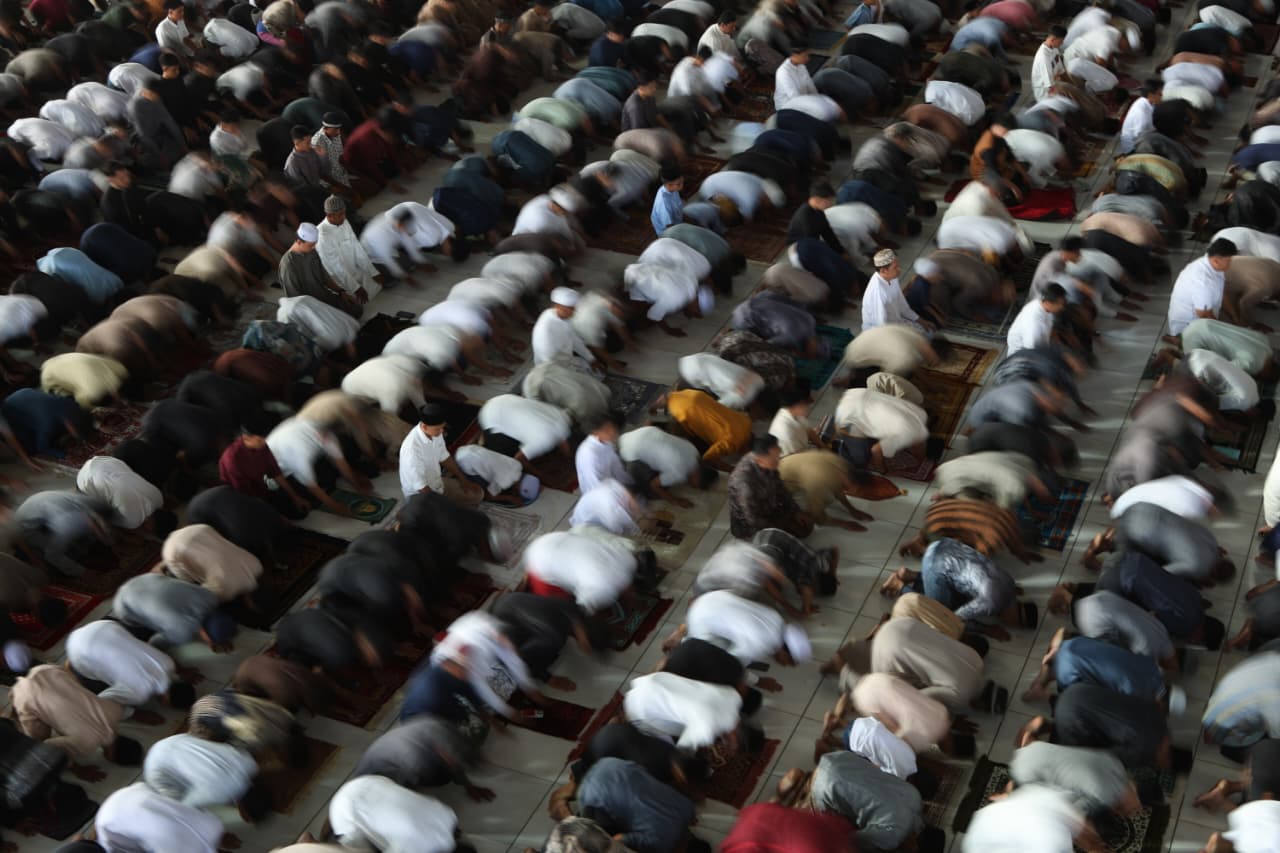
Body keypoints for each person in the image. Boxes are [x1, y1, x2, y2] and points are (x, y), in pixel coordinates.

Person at [728, 434, 813, 539]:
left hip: (770, 507)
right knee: (799, 533)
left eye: (778, 454)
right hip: (752, 524)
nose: (779, 460)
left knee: (807, 524)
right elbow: (754, 520)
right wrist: (781, 527)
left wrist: (795, 511)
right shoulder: (745, 484)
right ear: (761, 460)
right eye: (775, 458)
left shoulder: (768, 462)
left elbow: (781, 489)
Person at [399, 402, 483, 506]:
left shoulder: (435, 433)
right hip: (421, 496)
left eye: (443, 427)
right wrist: (440, 506)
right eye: (438, 429)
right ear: (424, 427)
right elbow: (421, 486)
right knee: (447, 513)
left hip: (437, 483)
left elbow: (444, 457)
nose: (442, 431)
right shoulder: (412, 450)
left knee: (477, 494)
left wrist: (464, 480)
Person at [278, 223, 362, 318]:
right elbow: (295, 300)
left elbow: (324, 277)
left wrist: (341, 292)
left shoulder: (311, 251)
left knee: (357, 309)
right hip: (309, 308)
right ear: (299, 242)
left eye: (315, 244)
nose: (314, 247)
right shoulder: (288, 265)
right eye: (311, 245)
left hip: (323, 297)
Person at [316, 194, 381, 304]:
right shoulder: (322, 236)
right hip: (339, 280)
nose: (344, 217)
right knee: (357, 304)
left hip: (354, 270)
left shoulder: (343, 221)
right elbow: (335, 268)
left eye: (344, 213)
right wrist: (356, 288)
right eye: (340, 214)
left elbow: (356, 247)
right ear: (330, 215)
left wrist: (373, 272)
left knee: (378, 285)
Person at [1167, 237, 1237, 338]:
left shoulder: (1214, 265)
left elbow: (1222, 292)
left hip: (1206, 314)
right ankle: (1177, 339)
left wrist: (1234, 315)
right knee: (1229, 341)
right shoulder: (1202, 280)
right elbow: (1204, 315)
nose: (1231, 263)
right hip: (1189, 326)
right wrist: (1225, 334)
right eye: (1229, 260)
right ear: (1216, 260)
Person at [863, 248, 926, 331]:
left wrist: (920, 320)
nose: (899, 269)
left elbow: (901, 303)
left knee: (928, 332)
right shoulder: (878, 294)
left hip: (896, 322)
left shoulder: (891, 277)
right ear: (883, 271)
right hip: (882, 331)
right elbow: (881, 326)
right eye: (895, 267)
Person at [532, 287, 597, 369]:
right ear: (558, 306)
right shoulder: (544, 331)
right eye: (571, 308)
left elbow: (574, 338)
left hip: (566, 356)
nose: (575, 312)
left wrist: (591, 359)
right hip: (552, 368)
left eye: (575, 308)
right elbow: (550, 362)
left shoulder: (560, 315)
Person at [575, 411, 631, 494]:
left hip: (610, 484)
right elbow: (595, 487)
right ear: (596, 432)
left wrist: (630, 483)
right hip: (598, 494)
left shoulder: (607, 442)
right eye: (607, 429)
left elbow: (617, 467)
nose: (614, 432)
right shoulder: (588, 455)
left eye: (612, 427)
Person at [1006, 283, 1068, 355]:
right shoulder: (1034, 326)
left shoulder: (1044, 306)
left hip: (1040, 347)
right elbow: (1032, 354)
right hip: (1024, 356)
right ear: (1048, 303)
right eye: (1060, 304)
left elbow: (1051, 330)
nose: (1062, 307)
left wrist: (1060, 346)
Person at [1120, 79, 1161, 154]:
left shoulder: (1147, 101)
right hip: (1134, 149)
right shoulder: (1141, 114)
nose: (1163, 96)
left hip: (1145, 137)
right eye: (1160, 94)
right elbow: (1140, 138)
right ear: (1150, 95)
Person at [775, 44, 817, 111]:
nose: (808, 58)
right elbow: (794, 96)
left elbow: (810, 86)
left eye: (808, 55)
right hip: (787, 106)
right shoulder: (783, 72)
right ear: (795, 55)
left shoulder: (801, 66)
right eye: (804, 56)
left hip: (803, 101)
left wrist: (817, 100)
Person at [1031, 25, 1066, 101]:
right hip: (1044, 92)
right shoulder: (1043, 57)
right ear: (1053, 39)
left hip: (1055, 83)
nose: (1062, 43)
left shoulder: (1054, 49)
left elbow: (1061, 71)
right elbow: (1050, 86)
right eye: (1060, 41)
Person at [651, 165, 685, 235]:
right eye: (679, 184)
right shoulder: (663, 204)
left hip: (678, 221)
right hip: (669, 232)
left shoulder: (672, 189)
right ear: (669, 185)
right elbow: (669, 227)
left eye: (682, 181)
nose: (682, 185)